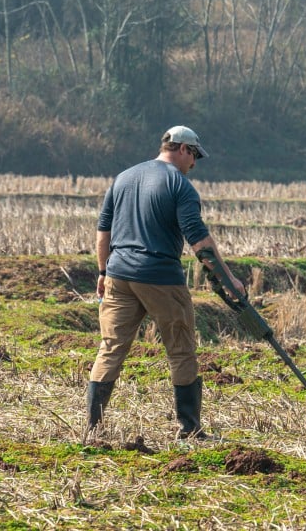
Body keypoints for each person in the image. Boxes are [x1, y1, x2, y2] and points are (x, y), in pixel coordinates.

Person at [88, 125, 243, 439]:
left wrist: (103, 272)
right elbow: (198, 240)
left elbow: (103, 232)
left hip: (119, 275)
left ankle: (92, 428)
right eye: (195, 155)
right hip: (160, 277)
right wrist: (228, 279)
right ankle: (189, 429)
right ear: (183, 149)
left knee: (110, 349)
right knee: (181, 351)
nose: (195, 164)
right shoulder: (179, 185)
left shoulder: (124, 178)